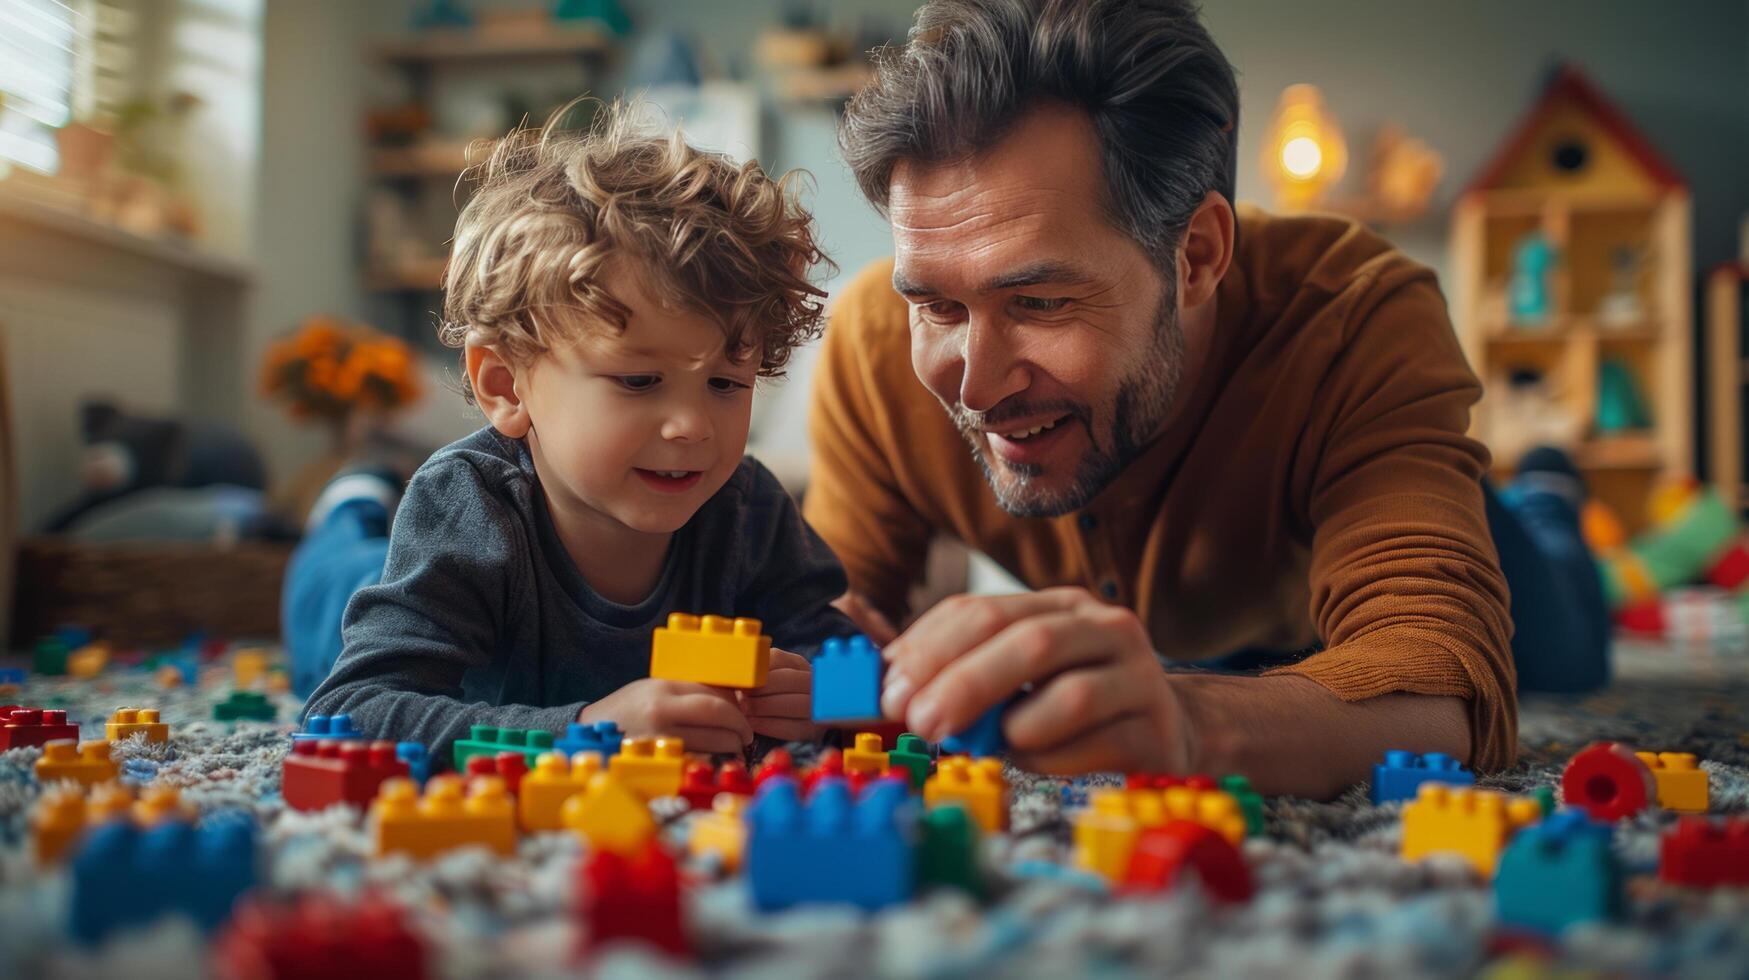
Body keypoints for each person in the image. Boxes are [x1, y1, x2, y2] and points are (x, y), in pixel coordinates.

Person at [808, 0, 1607, 797]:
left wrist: (1190, 726)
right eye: (937, 307)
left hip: (1388, 588)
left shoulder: (1356, 315)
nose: (974, 387)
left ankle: (1545, 496)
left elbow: (1442, 694)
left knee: (1564, 650)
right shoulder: (870, 347)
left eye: (1041, 303)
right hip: (1219, 640)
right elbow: (832, 611)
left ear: (1195, 256)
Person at [301, 101, 851, 758]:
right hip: (344, 593)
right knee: (346, 566)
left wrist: (828, 696)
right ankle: (351, 502)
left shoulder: (747, 508)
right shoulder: (467, 505)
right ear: (506, 386)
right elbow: (349, 711)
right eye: (638, 381)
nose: (691, 426)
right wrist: (584, 731)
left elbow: (844, 649)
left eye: (726, 385)